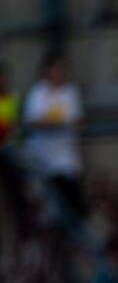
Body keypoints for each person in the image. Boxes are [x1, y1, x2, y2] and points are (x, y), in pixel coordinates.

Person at [21, 54, 85, 218]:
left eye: (62, 69)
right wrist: (60, 123)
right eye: (55, 69)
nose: (59, 73)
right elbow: (34, 121)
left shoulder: (70, 92)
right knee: (48, 205)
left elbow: (78, 120)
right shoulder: (38, 93)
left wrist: (55, 122)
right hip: (43, 159)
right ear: (47, 71)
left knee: (73, 202)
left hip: (67, 160)